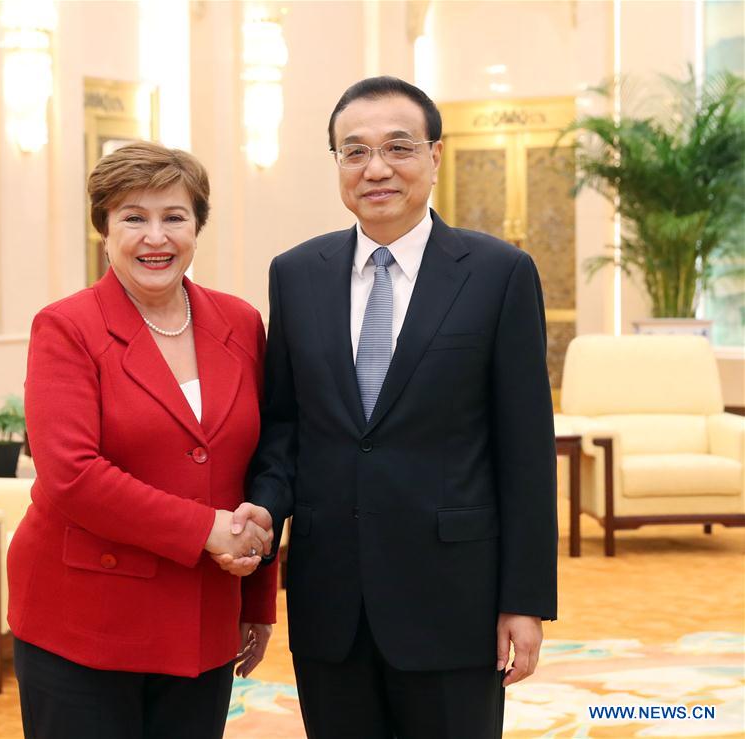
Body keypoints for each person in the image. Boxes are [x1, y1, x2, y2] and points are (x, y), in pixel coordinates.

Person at [229, 76, 558, 738]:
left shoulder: (498, 273)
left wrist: (524, 601)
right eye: (354, 151)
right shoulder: (296, 274)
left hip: (454, 600)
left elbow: (525, 450)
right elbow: (286, 425)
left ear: (435, 156)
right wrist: (264, 508)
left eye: (398, 147)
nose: (375, 168)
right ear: (338, 164)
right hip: (331, 602)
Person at [7, 141, 277, 739]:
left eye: (174, 217)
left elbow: (258, 464)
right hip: (84, 621)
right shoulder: (66, 327)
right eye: (134, 217)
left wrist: (256, 600)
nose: (156, 237)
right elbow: (72, 475)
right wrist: (206, 529)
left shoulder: (240, 323)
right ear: (104, 230)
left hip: (204, 614)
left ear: (197, 228)